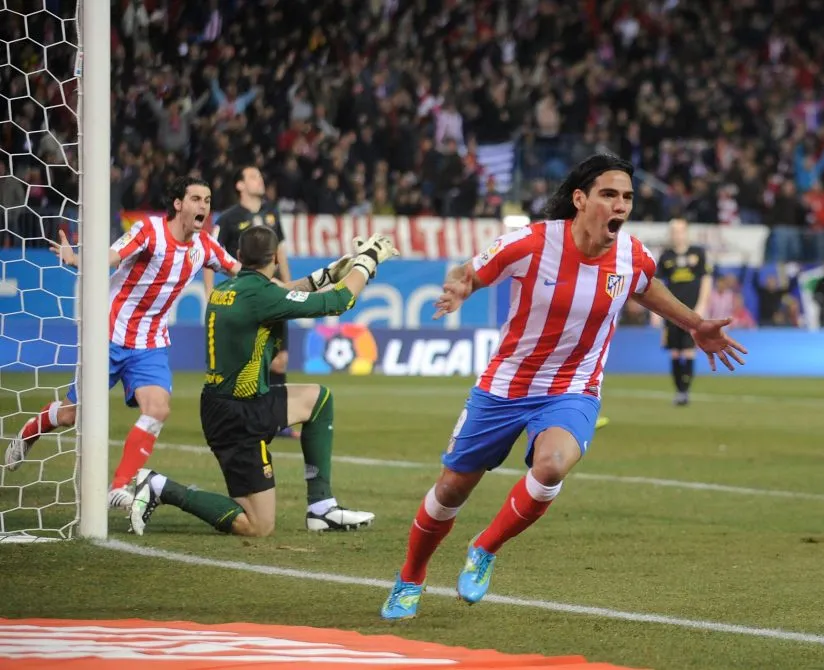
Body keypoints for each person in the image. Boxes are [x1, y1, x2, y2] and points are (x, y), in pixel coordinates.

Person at [379, 154, 747, 620]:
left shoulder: (632, 255)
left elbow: (645, 286)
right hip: (505, 386)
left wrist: (695, 324)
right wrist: (459, 289)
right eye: (609, 194)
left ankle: (486, 547)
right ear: (580, 199)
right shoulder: (532, 243)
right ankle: (410, 577)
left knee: (552, 466)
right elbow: (468, 271)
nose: (620, 205)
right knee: (452, 488)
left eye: (627, 197)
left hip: (573, 388)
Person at [128, 227, 399, 536]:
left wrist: (326, 275)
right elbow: (338, 303)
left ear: (240, 257)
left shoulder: (231, 288)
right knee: (258, 526)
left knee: (318, 399)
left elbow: (282, 291)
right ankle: (161, 487)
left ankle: (321, 508)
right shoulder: (260, 296)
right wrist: (368, 261)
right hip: (238, 417)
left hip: (239, 403)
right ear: (274, 257)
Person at [4, 177, 240, 509]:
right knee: (73, 415)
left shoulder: (205, 247)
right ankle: (31, 430)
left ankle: (119, 486)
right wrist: (77, 260)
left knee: (158, 408)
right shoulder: (149, 230)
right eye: (196, 198)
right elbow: (113, 256)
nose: (203, 205)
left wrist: (294, 291)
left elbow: (245, 273)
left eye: (208, 199)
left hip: (151, 343)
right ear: (178, 204)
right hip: (109, 335)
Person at [203, 165, 299, 438]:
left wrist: (289, 287)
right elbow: (212, 253)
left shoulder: (272, 213)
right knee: (249, 357)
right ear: (240, 185)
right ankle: (243, 415)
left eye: (260, 175)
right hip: (246, 296)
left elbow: (281, 251)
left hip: (274, 292)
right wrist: (210, 290)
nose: (260, 180)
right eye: (253, 176)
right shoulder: (230, 218)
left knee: (280, 360)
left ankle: (279, 420)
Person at [656, 217, 712, 405]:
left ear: (686, 232)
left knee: (688, 350)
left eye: (680, 231)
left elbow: (706, 279)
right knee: (674, 352)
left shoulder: (698, 253)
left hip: (691, 311)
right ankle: (679, 390)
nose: (677, 234)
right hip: (671, 311)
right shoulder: (666, 256)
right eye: (674, 231)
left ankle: (684, 392)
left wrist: (702, 304)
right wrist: (656, 311)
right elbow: (657, 284)